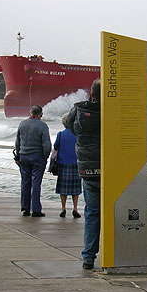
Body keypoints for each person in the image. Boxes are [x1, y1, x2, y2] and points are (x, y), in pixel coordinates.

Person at [66, 78, 100, 269]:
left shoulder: (78, 110)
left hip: (88, 169)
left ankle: (88, 257)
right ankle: (121, 254)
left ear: (91, 94)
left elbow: (70, 126)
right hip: (111, 169)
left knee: (92, 213)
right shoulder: (114, 110)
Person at [15, 105, 51, 217]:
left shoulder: (22, 124)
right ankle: (36, 209)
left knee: (25, 182)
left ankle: (25, 208)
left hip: (24, 156)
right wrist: (45, 157)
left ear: (30, 112)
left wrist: (18, 155)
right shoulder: (43, 126)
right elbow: (46, 145)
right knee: (36, 183)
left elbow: (17, 142)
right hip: (37, 157)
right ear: (41, 114)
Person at [53, 113, 82, 218]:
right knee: (76, 189)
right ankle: (75, 208)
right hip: (75, 163)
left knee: (63, 188)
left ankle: (63, 208)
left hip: (63, 163)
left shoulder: (60, 134)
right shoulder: (78, 135)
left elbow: (55, 146)